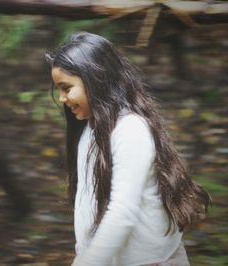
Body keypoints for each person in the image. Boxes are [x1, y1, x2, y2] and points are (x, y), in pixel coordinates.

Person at [45, 32, 211, 266]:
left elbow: (122, 212)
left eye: (67, 88)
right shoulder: (89, 130)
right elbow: (87, 205)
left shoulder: (130, 130)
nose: (62, 98)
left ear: (96, 80)